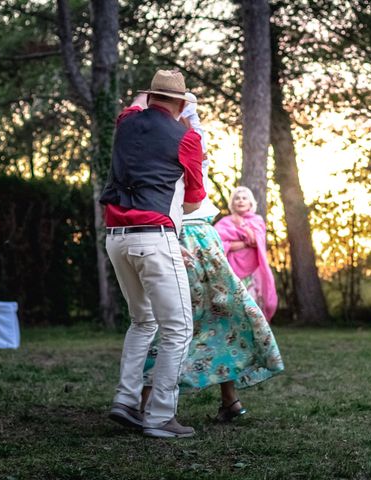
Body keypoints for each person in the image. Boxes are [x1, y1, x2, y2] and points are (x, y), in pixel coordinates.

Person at [141, 95, 284, 421]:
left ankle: (227, 401)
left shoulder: (188, 144)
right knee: (176, 319)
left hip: (198, 236)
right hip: (176, 237)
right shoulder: (155, 148)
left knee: (221, 316)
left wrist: (184, 116)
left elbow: (193, 129)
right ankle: (144, 403)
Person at [100, 69, 204, 439]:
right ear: (180, 103)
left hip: (116, 237)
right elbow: (193, 202)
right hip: (155, 237)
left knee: (142, 321)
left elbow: (135, 106)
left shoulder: (126, 122)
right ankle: (159, 417)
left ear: (149, 96)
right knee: (178, 328)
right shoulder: (187, 137)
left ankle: (126, 401)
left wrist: (147, 97)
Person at [214, 187, 278, 322]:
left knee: (252, 307)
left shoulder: (257, 220)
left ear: (250, 203)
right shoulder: (224, 222)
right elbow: (216, 244)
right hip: (231, 271)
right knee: (233, 306)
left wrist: (242, 225)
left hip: (252, 271)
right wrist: (239, 244)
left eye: (244, 198)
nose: (240, 201)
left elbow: (255, 241)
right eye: (237, 198)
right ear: (232, 203)